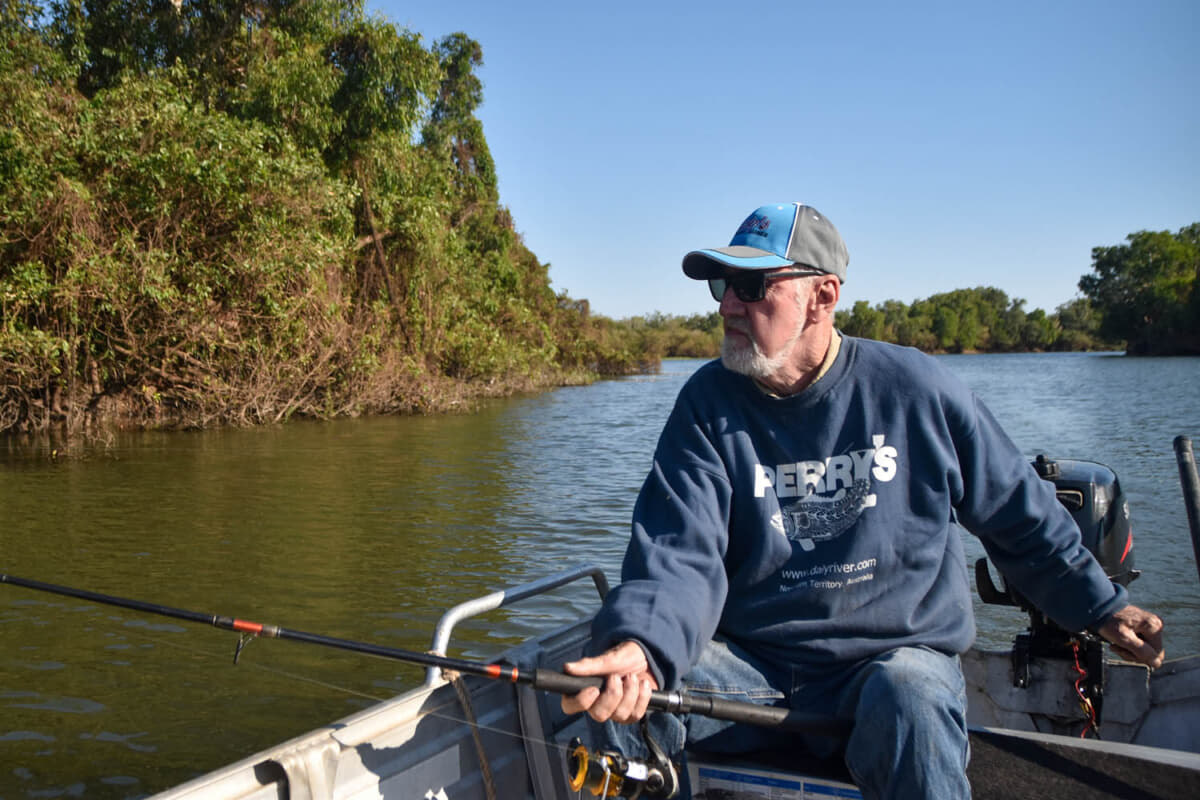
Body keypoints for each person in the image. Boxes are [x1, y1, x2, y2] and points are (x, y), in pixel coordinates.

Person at [560, 202, 1166, 799]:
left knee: (911, 697)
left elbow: (1018, 515)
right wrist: (642, 646)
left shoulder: (916, 390)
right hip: (754, 669)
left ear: (822, 296)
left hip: (889, 662)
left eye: (751, 284)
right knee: (621, 684)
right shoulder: (706, 405)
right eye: (722, 284)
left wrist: (1101, 606)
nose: (727, 304)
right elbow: (677, 555)